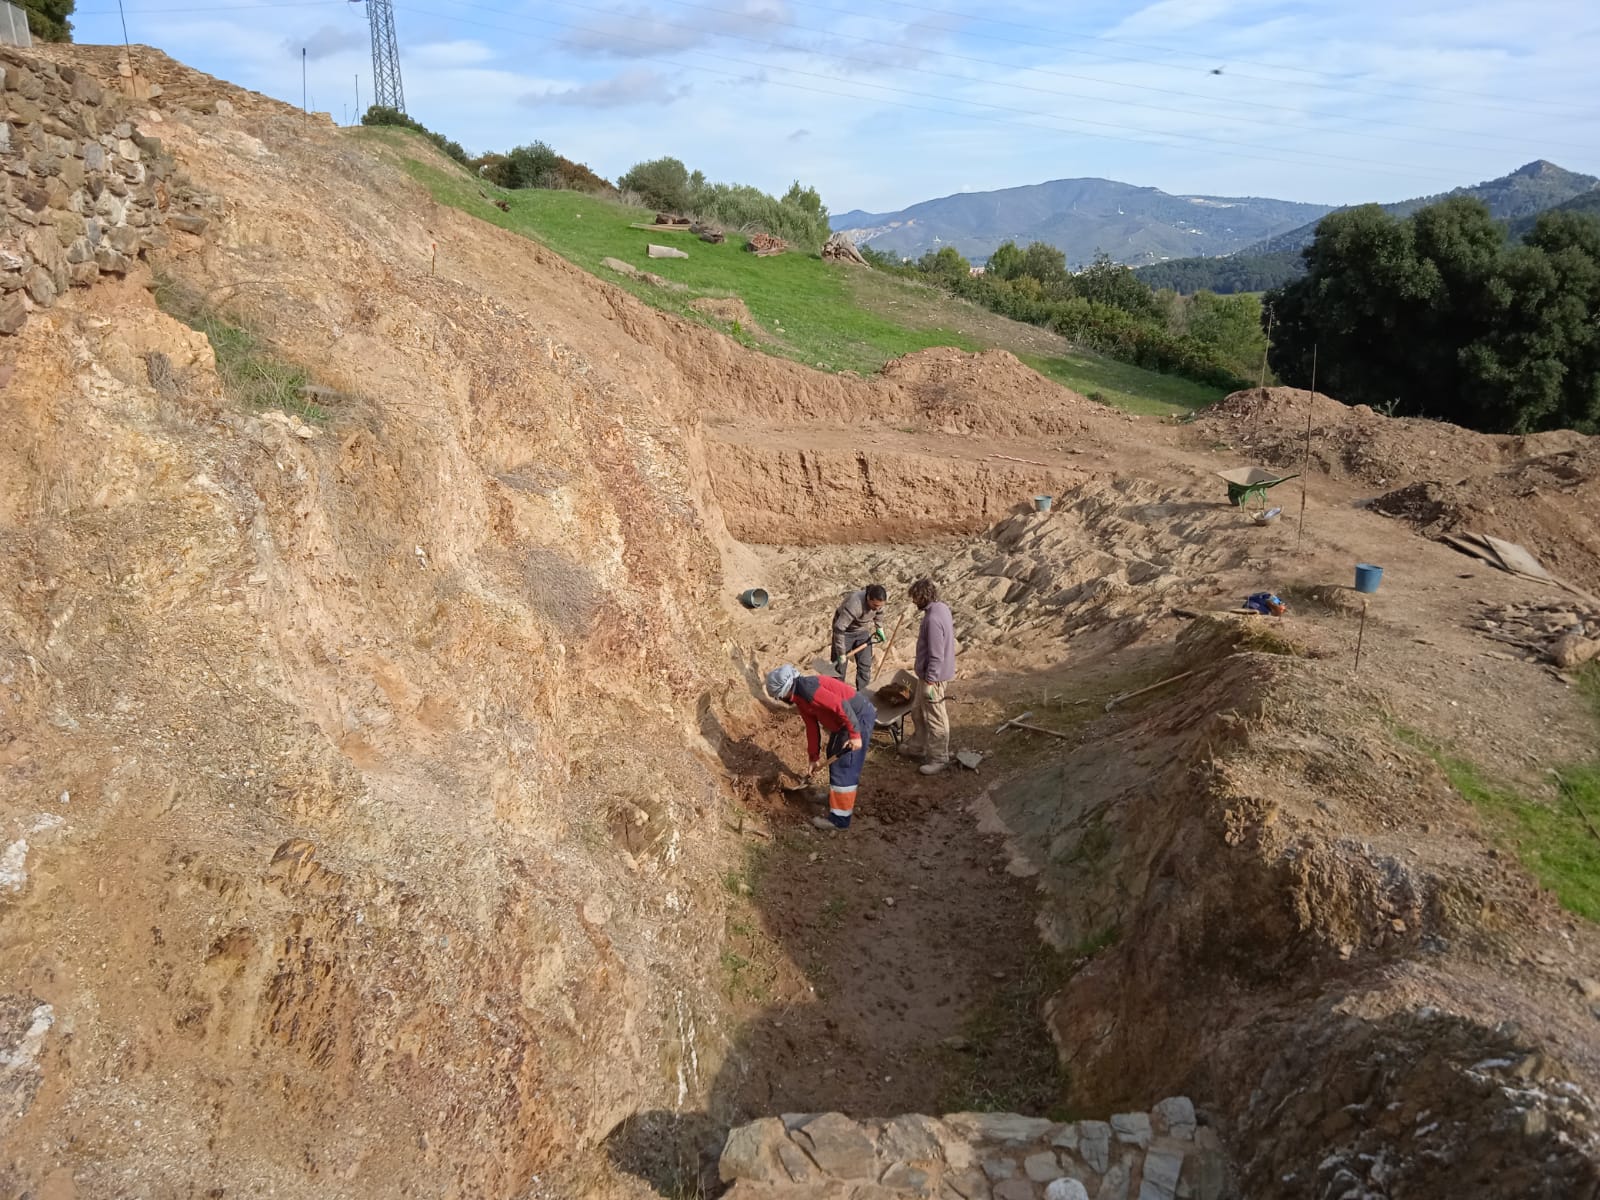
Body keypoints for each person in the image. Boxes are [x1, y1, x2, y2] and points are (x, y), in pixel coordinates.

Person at [765, 663, 877, 831]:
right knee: (832, 751)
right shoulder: (800, 697)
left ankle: (839, 820)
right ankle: (835, 799)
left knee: (845, 765)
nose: (780, 699)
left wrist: (855, 735)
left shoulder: (808, 689)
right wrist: (813, 757)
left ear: (786, 690)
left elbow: (842, 706)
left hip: (857, 717)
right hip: (844, 722)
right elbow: (811, 727)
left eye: (779, 696)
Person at [903, 577, 956, 775]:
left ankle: (939, 758)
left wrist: (931, 681)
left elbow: (936, 654)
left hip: (934, 677)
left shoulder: (933, 619)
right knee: (917, 711)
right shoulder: (941, 608)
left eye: (915, 598)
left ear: (923, 596)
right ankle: (917, 747)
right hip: (926, 675)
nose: (914, 602)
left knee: (935, 717)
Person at [830, 584, 887, 691]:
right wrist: (841, 652)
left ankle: (863, 696)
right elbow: (839, 628)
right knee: (839, 669)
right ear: (868, 598)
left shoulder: (878, 604)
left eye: (880, 606)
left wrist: (879, 628)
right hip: (845, 632)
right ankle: (837, 696)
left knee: (865, 666)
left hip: (862, 631)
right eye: (875, 605)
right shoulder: (855, 604)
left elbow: (879, 613)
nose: (877, 608)